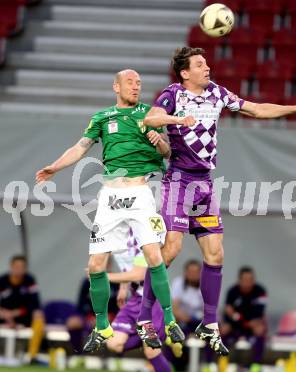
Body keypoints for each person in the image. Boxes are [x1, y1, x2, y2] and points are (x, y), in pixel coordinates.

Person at [137, 46, 296, 355]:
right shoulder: (173, 94)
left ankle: (209, 324)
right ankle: (144, 319)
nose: (207, 67)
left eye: (206, 62)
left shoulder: (217, 93)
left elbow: (256, 109)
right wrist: (178, 121)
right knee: (171, 249)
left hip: (204, 184)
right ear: (185, 73)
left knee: (216, 254)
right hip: (179, 181)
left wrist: (295, 108)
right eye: (199, 64)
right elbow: (152, 119)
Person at [35, 69, 184, 353]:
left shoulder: (149, 114)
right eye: (130, 82)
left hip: (141, 192)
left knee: (155, 257)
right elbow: (80, 147)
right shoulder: (102, 117)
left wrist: (160, 142)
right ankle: (102, 326)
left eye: (139, 83)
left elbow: (168, 154)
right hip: (111, 197)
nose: (136, 86)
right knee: (95, 266)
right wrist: (55, 166)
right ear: (116, 86)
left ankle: (168, 320)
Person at [106, 229, 176, 372]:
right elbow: (128, 267)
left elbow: (139, 274)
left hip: (153, 299)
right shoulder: (121, 237)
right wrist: (124, 288)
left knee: (151, 352)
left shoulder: (147, 235)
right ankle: (153, 336)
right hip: (135, 299)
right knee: (113, 343)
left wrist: (104, 277)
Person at [66, 259, 119, 354]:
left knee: (116, 326)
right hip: (89, 317)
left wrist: (107, 318)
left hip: (110, 318)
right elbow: (81, 305)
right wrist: (89, 317)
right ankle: (78, 353)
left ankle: (115, 356)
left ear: (110, 265)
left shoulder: (116, 282)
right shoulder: (87, 282)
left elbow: (119, 307)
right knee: (72, 322)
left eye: (106, 264)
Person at [0, 255, 45, 363]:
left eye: (21, 267)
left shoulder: (29, 280)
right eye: (16, 266)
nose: (18, 269)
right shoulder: (2, 281)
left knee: (39, 318)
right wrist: (4, 314)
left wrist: (16, 313)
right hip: (4, 316)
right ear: (11, 266)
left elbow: (35, 304)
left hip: (23, 316)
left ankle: (31, 356)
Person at [220, 266, 267, 364]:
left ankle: (256, 365)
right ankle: (220, 363)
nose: (248, 283)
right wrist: (235, 319)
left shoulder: (260, 291)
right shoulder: (232, 292)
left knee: (260, 330)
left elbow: (258, 313)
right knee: (221, 330)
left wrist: (239, 317)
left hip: (251, 327)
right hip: (235, 326)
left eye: (250, 280)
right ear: (239, 280)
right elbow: (228, 312)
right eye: (245, 280)